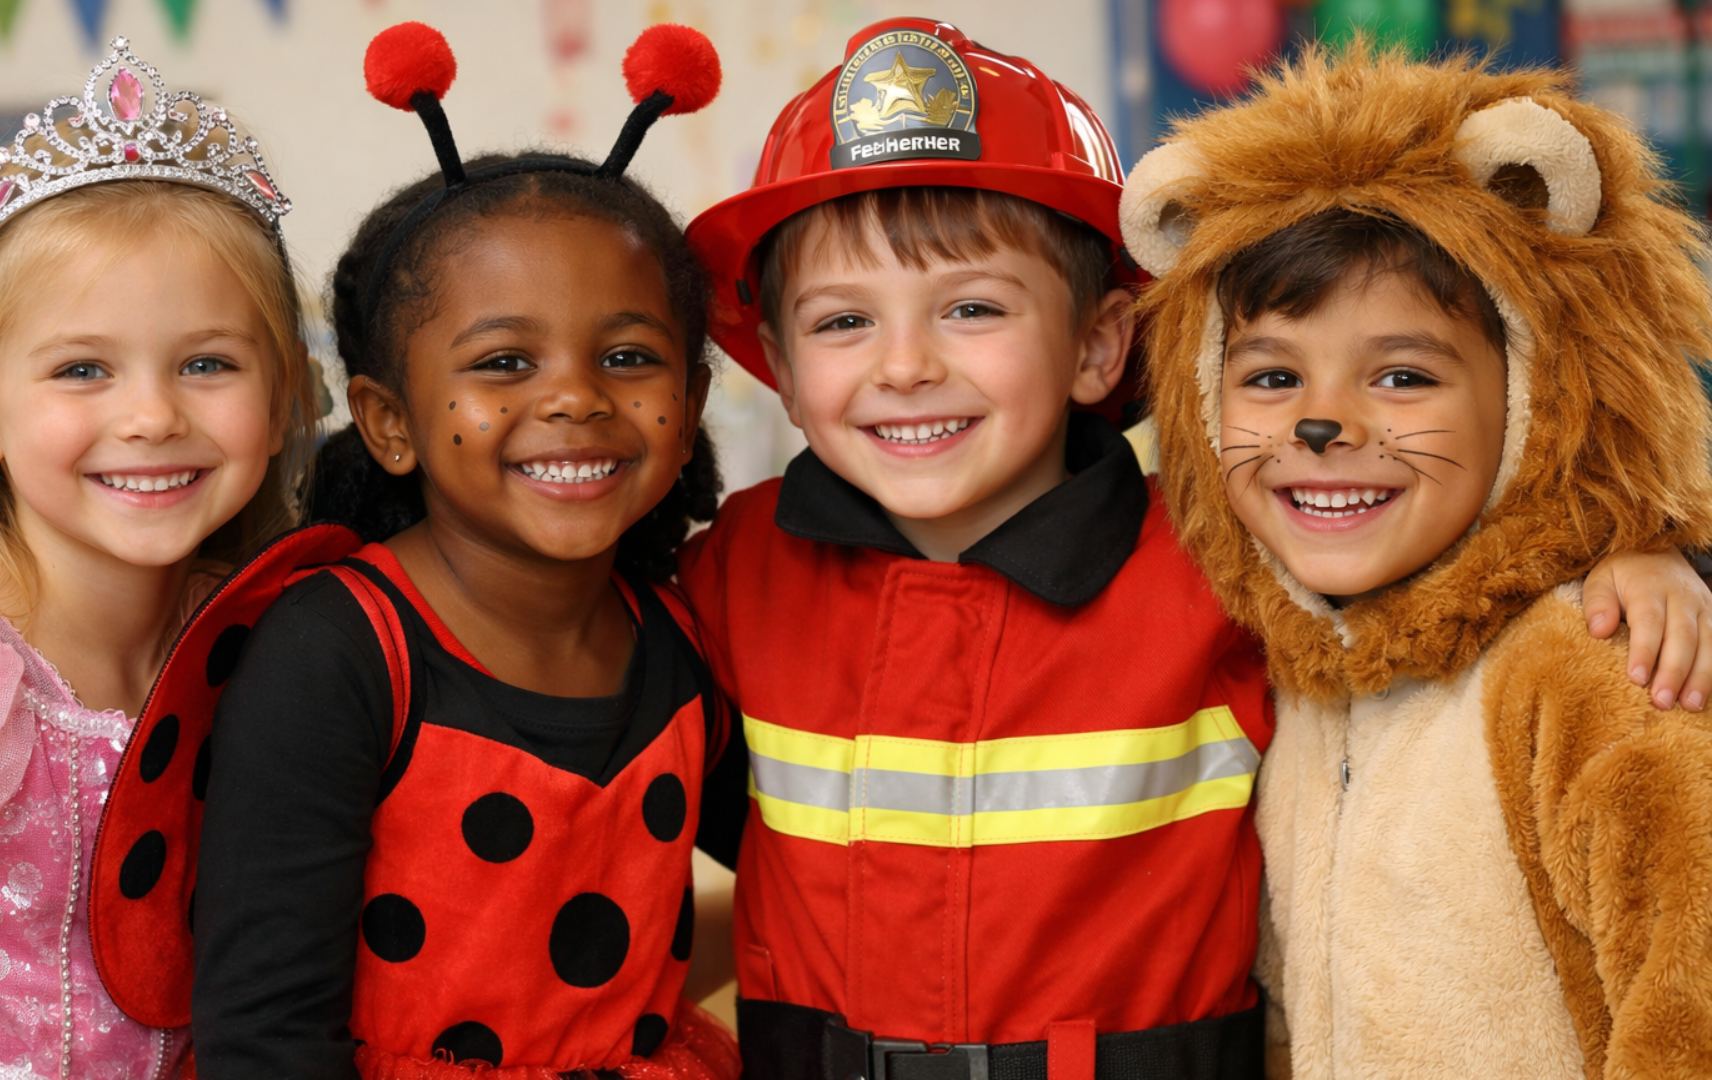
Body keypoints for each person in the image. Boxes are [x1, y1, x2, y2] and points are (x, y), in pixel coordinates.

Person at [677, 18, 1712, 1080]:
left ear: (1097, 345)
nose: (902, 366)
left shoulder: (1223, 554)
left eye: (972, 308)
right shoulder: (734, 570)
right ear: (781, 370)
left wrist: (1639, 545)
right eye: (843, 323)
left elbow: (1448, 553)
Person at [1117, 47, 1712, 1079]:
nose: (1318, 422)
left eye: (1401, 374)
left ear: (1541, 391)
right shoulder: (1296, 684)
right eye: (1267, 374)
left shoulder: (1596, 669)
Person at [182, 24, 741, 1080]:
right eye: (504, 362)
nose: (574, 395)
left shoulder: (683, 635)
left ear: (694, 402)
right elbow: (263, 1036)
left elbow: (809, 870)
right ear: (389, 423)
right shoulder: (335, 654)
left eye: (627, 356)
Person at [0, 38, 314, 1080]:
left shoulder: (271, 634)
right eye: (83, 369)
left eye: (208, 363)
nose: (153, 414)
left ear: (286, 393)